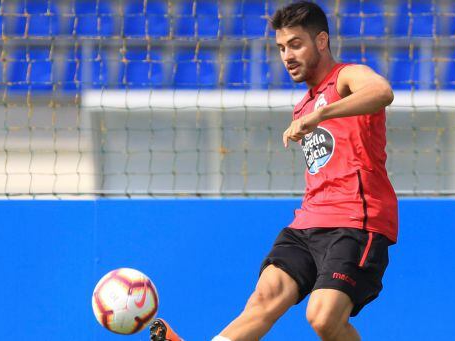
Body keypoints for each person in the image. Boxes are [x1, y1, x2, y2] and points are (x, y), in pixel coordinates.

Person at [151, 2, 397, 340]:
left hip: (355, 223)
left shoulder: (347, 77)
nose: (287, 55)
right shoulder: (303, 104)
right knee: (263, 300)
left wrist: (320, 116)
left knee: (323, 317)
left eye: (296, 44)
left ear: (321, 41)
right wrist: (312, 114)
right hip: (307, 224)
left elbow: (383, 92)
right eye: (281, 47)